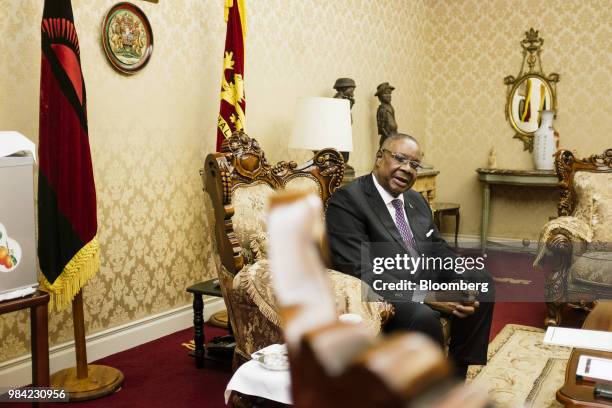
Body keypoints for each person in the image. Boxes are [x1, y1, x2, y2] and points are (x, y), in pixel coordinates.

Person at [325, 133, 494, 377]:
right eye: (400, 159)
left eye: (414, 164)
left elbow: (437, 247)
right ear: (379, 158)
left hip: (423, 277)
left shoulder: (415, 200)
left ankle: (456, 373)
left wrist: (460, 276)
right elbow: (359, 270)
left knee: (480, 282)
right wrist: (425, 295)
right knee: (422, 316)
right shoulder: (349, 200)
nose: (407, 169)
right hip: (383, 291)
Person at [375, 82, 398, 146]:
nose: (389, 95)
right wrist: (389, 138)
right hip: (387, 137)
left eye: (390, 93)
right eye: (385, 93)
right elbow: (381, 128)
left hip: (394, 134)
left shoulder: (390, 107)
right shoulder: (382, 109)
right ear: (379, 97)